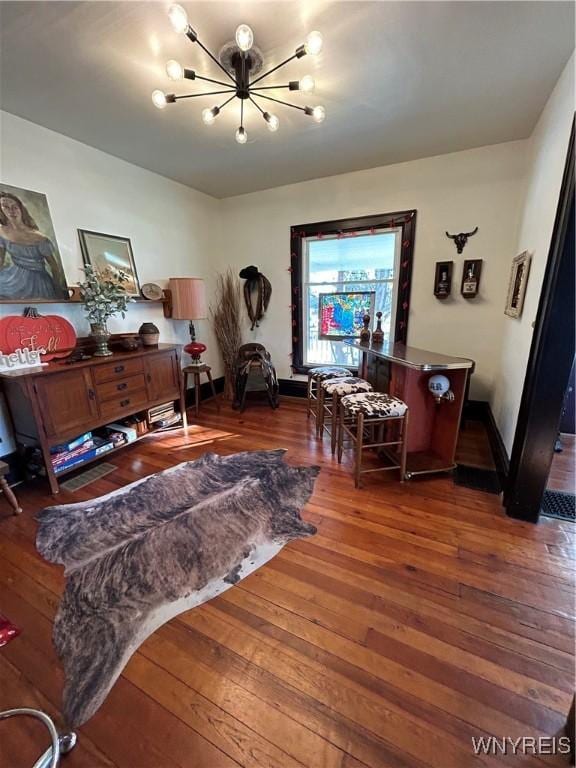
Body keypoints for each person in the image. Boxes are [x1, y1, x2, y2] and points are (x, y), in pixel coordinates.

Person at [0, 191, 67, 300]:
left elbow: (54, 267)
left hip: (37, 281)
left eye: (14, 207)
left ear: (21, 209)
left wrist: (57, 289)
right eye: (6, 207)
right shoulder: (1, 232)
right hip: (12, 277)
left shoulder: (39, 238)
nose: (11, 211)